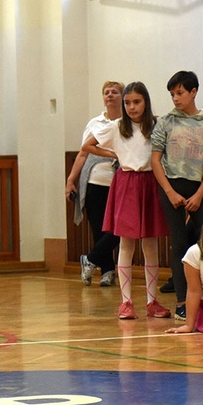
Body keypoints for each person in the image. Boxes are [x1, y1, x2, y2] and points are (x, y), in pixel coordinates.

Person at [83, 82, 170, 320]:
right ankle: (126, 302)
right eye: (128, 103)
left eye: (136, 102)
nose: (132, 107)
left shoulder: (156, 125)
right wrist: (114, 154)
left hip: (150, 182)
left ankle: (152, 302)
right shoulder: (116, 127)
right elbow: (88, 145)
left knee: (150, 243)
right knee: (126, 243)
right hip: (127, 183)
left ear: (146, 102)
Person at [151, 70, 203, 322]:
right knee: (179, 243)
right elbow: (156, 159)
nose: (176, 98)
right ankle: (182, 302)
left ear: (193, 92)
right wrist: (169, 191)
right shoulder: (166, 122)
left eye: (180, 93)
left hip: (197, 188)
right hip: (171, 187)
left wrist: (200, 193)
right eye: (172, 94)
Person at [65, 81, 124, 287]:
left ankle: (89, 259)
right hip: (94, 181)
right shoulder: (95, 123)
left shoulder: (127, 122)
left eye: (115, 92)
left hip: (119, 182)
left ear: (122, 97)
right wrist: (71, 180)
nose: (110, 95)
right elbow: (83, 152)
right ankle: (107, 271)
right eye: (106, 92)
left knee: (119, 228)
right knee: (99, 229)